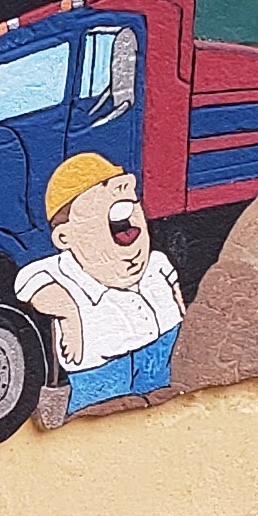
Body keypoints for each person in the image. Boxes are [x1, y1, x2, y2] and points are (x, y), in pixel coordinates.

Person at [15, 153, 183, 428]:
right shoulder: (65, 271)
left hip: (160, 347)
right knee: (100, 416)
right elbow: (29, 282)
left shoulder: (155, 262)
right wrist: (70, 315)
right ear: (64, 237)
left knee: (157, 403)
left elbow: (175, 290)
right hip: (103, 367)